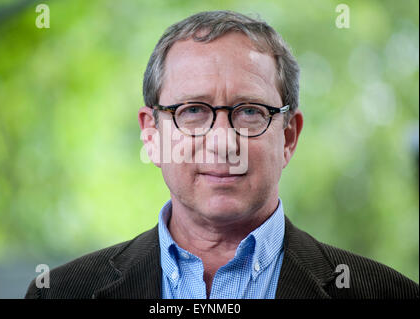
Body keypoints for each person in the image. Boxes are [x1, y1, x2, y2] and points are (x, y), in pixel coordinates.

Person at [25, 10, 418, 299]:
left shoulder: (389, 295)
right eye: (193, 111)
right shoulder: (59, 293)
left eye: (249, 112)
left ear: (288, 137)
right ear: (151, 134)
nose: (222, 141)